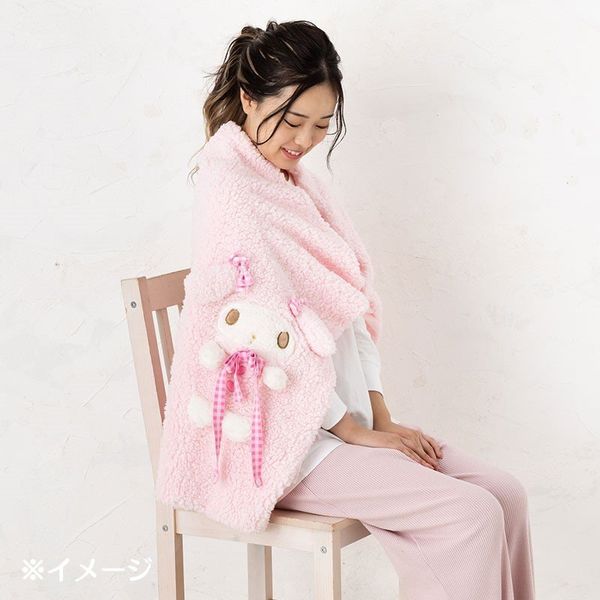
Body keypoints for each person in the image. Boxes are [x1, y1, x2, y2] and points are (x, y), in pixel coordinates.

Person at [193, 19, 536, 600]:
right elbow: (266, 335)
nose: (304, 140)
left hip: (338, 424)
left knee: (504, 494)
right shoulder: (232, 192)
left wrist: (379, 420)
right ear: (249, 100)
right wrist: (351, 430)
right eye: (292, 121)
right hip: (282, 442)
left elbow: (348, 312)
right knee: (469, 514)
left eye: (321, 124)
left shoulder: (299, 188)